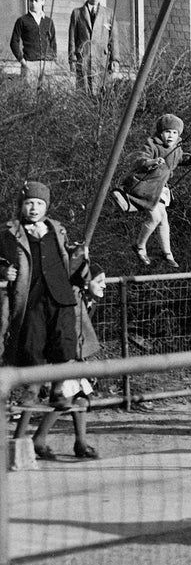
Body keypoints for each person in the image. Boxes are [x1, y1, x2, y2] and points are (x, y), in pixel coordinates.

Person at [2, 181, 103, 459]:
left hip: (60, 299)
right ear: (21, 206)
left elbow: (70, 267)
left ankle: (61, 412)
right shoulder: (10, 234)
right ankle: (23, 441)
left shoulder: (57, 230)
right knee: (35, 362)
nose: (34, 208)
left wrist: (81, 262)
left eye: (39, 204)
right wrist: (3, 271)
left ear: (46, 207)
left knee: (65, 350)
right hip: (32, 302)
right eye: (28, 203)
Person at [113, 113, 191, 268]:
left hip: (158, 189)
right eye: (167, 132)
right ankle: (140, 246)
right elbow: (140, 160)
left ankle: (167, 252)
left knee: (163, 218)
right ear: (160, 133)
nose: (171, 136)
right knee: (155, 218)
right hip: (143, 187)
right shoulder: (152, 144)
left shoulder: (176, 148)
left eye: (174, 132)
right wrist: (152, 162)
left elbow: (180, 158)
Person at [68, 0, 115, 95]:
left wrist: (115, 59)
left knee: (102, 91)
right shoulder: (77, 13)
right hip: (84, 58)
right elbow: (72, 38)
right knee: (84, 91)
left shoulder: (108, 13)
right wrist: (72, 59)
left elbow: (114, 38)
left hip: (102, 59)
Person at [9, 0, 62, 85]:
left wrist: (53, 60)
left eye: (36, 1)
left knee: (47, 92)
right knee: (29, 92)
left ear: (43, 2)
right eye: (31, 0)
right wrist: (22, 61)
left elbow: (53, 42)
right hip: (30, 63)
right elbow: (14, 42)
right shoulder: (22, 20)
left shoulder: (48, 21)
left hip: (47, 64)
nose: (33, 3)